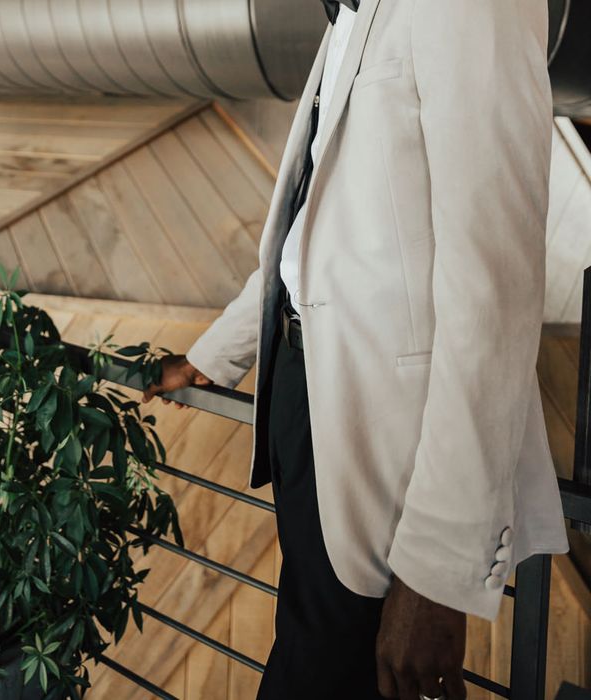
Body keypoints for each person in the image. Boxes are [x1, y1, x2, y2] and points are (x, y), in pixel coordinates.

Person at [142, 0, 569, 698]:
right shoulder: (358, 12)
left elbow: (494, 290)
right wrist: (215, 354)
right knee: (317, 650)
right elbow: (310, 233)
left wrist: (437, 567)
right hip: (304, 401)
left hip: (390, 450)